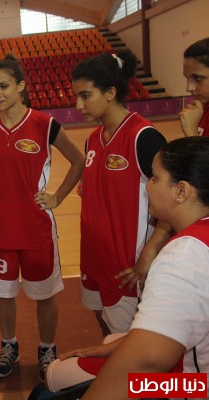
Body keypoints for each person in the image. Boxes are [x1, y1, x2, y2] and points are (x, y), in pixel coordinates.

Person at [45, 136, 209, 399]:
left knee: (55, 375)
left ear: (181, 191)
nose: (147, 186)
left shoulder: (184, 255)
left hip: (196, 387)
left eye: (154, 178)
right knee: (111, 343)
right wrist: (113, 348)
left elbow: (148, 358)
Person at [0, 54, 84, 382]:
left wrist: (57, 197)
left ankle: (47, 348)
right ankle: (9, 346)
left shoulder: (45, 124)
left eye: (4, 86)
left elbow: (78, 161)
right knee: (3, 294)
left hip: (36, 228)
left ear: (21, 86)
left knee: (44, 294)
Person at [72, 50, 170, 336]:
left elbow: (175, 202)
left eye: (86, 95)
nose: (78, 105)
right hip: (94, 258)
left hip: (126, 265)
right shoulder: (93, 138)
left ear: (110, 92)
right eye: (76, 96)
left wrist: (148, 254)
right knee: (107, 332)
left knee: (130, 345)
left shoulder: (144, 136)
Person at [181, 37, 209, 136]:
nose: (189, 88)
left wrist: (191, 132)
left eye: (197, 78)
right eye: (187, 78)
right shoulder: (202, 110)